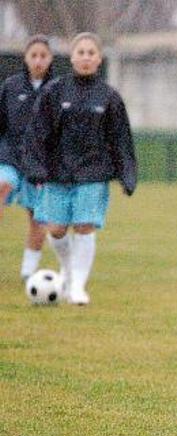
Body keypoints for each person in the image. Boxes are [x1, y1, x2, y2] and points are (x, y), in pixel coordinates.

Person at [22, 32, 136, 305]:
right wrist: (36, 167)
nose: (86, 57)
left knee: (85, 227)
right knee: (57, 230)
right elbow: (38, 133)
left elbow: (121, 139)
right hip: (57, 173)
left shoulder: (110, 97)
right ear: (72, 57)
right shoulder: (54, 92)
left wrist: (127, 174)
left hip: (93, 174)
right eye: (81, 52)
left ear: (99, 59)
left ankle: (77, 288)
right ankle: (68, 269)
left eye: (91, 53)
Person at [0, 35, 54, 280]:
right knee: (2, 185)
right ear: (26, 58)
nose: (38, 60)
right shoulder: (11, 87)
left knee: (37, 216)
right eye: (34, 55)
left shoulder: (57, 89)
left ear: (50, 59)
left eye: (43, 56)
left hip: (40, 163)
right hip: (10, 156)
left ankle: (27, 271)